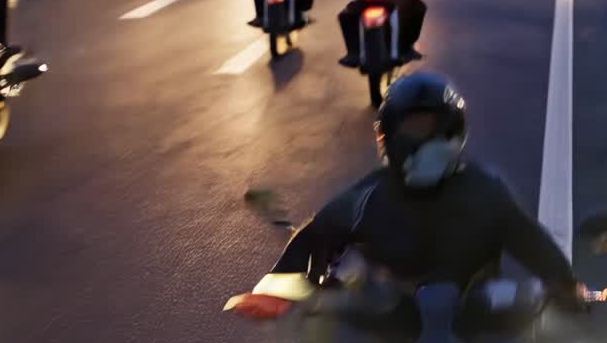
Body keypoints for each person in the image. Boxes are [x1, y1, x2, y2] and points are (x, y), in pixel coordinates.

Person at [229, 73, 588, 322]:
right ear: (388, 136)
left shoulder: (485, 191)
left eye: (428, 129)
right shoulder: (369, 194)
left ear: (453, 131)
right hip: (383, 319)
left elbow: (529, 239)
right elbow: (318, 233)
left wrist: (566, 285)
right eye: (409, 129)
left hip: (473, 317)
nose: (419, 142)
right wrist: (274, 290)